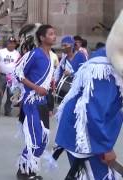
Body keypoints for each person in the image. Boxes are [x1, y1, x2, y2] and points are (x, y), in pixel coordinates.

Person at [55, 12, 123, 178]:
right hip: (85, 136)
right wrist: (104, 148)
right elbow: (93, 112)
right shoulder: (104, 69)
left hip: (92, 135)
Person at [10, 24, 56, 179]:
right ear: (42, 38)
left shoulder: (51, 55)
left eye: (54, 34)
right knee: (34, 139)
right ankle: (23, 172)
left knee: (42, 141)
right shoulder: (34, 54)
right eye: (50, 34)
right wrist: (35, 87)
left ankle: (29, 170)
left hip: (42, 103)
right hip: (31, 103)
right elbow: (17, 72)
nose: (54, 36)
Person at [0, 36, 21, 116]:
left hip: (12, 77)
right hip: (2, 76)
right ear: (7, 43)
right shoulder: (1, 52)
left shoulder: (17, 53)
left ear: (15, 45)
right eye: (10, 43)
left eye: (13, 43)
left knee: (11, 94)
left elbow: (19, 65)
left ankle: (8, 110)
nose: (11, 45)